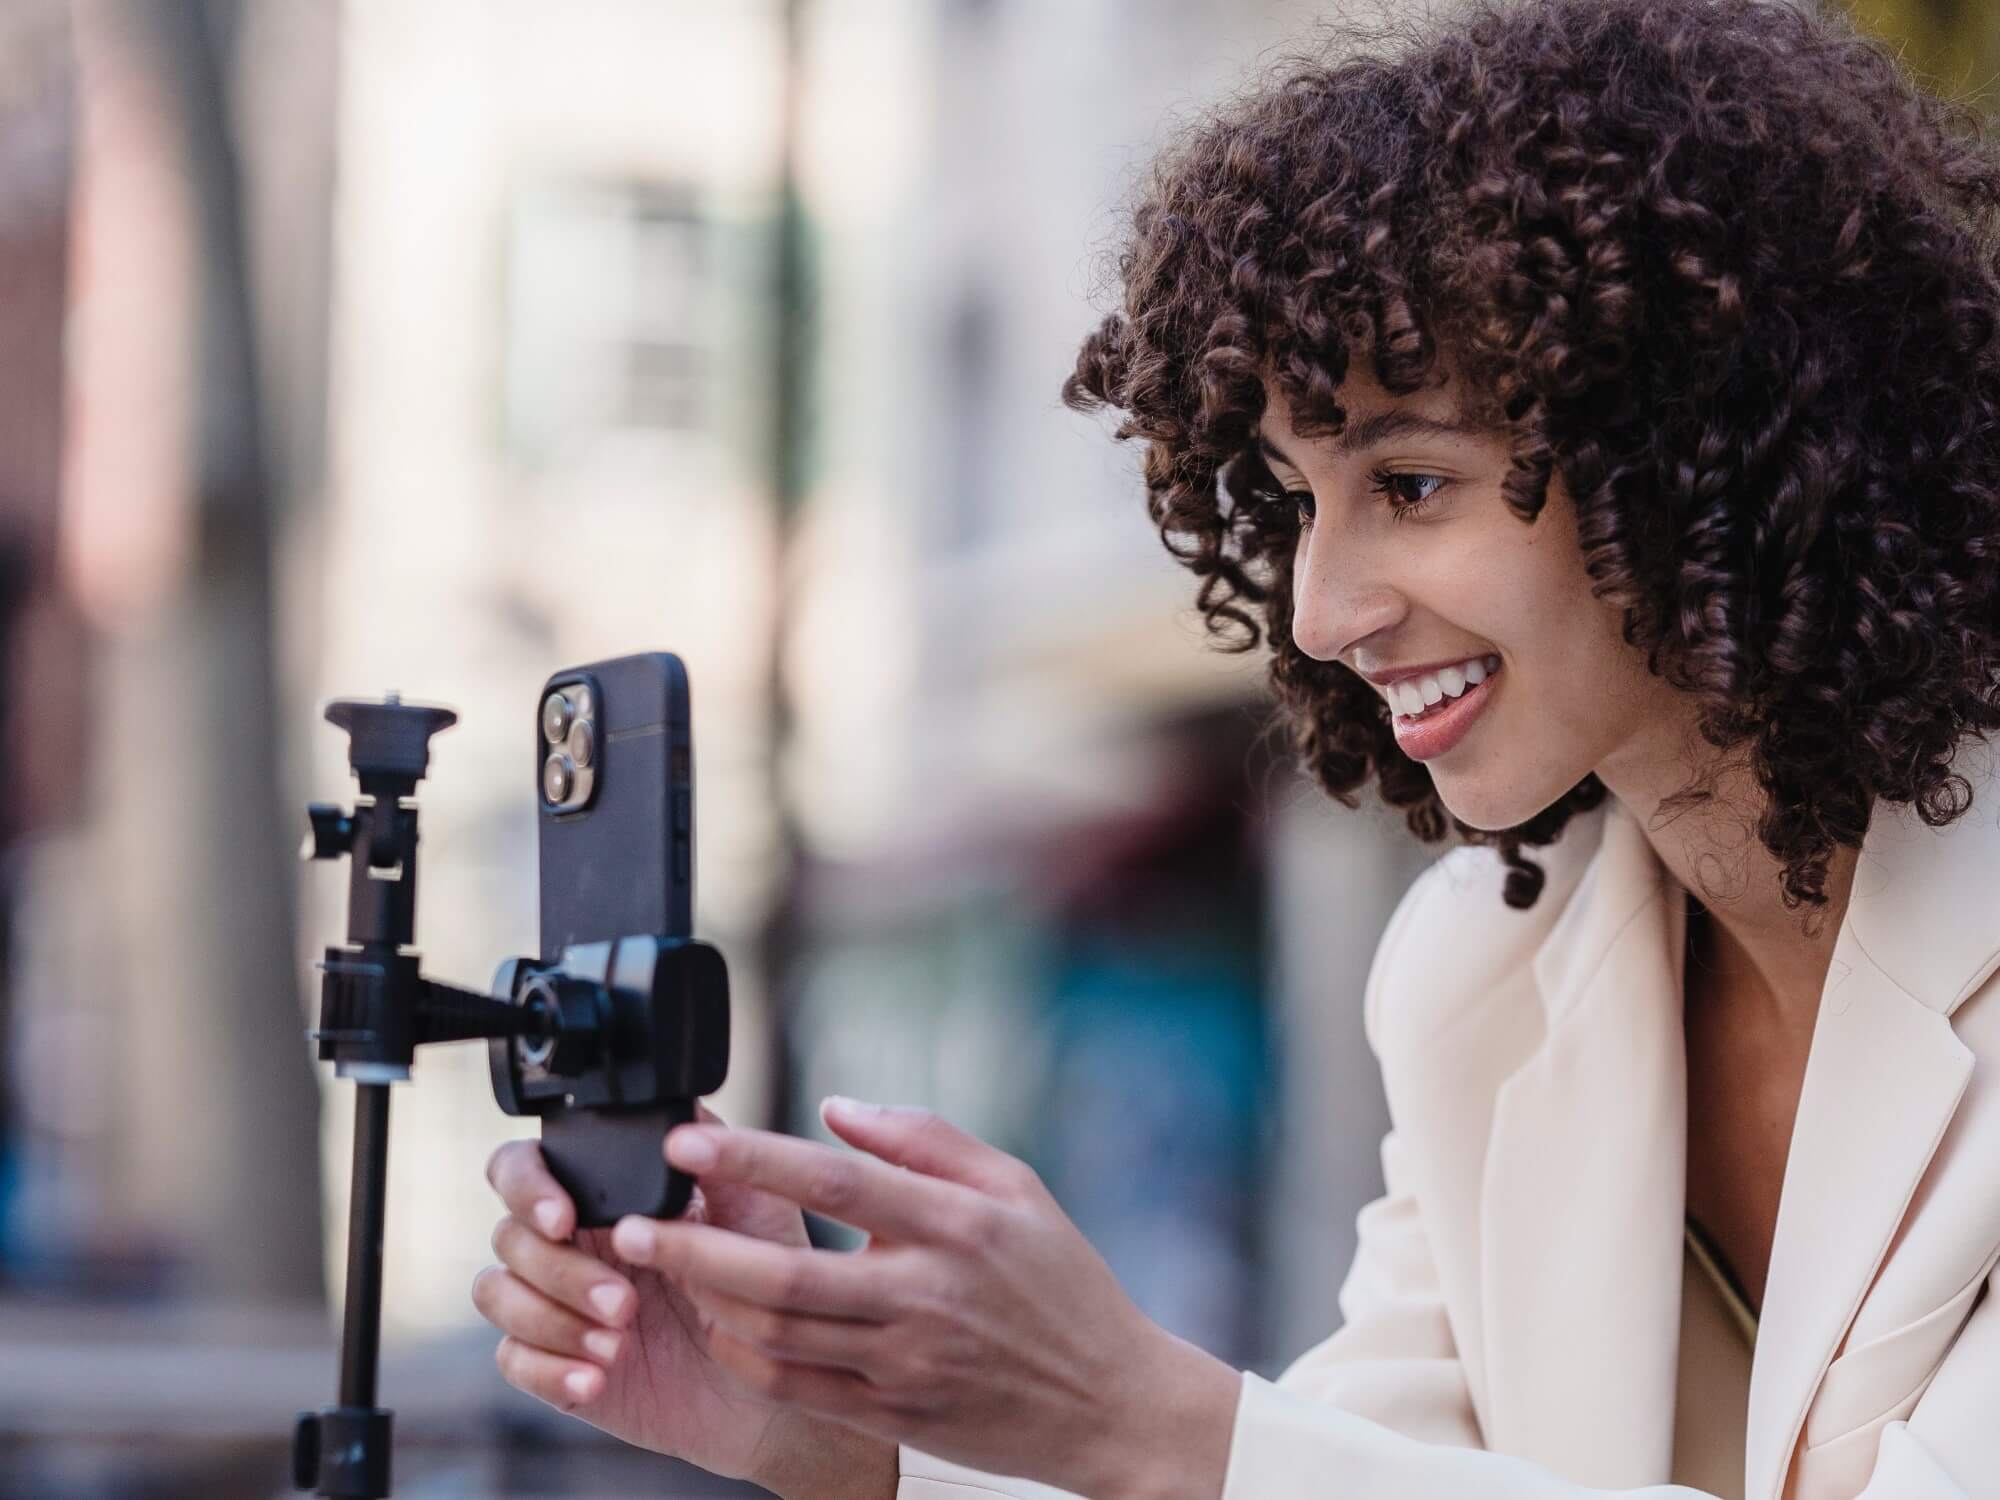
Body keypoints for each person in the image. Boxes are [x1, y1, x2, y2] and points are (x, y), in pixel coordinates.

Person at [473, 0, 2000, 1494]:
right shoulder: (1481, 978)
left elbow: (1234, 1465)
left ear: (1696, 455)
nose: (1323, 611)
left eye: (1410, 483)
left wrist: (1140, 1410)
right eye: (1292, 502)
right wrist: (855, 1451)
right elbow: (1342, 1476)